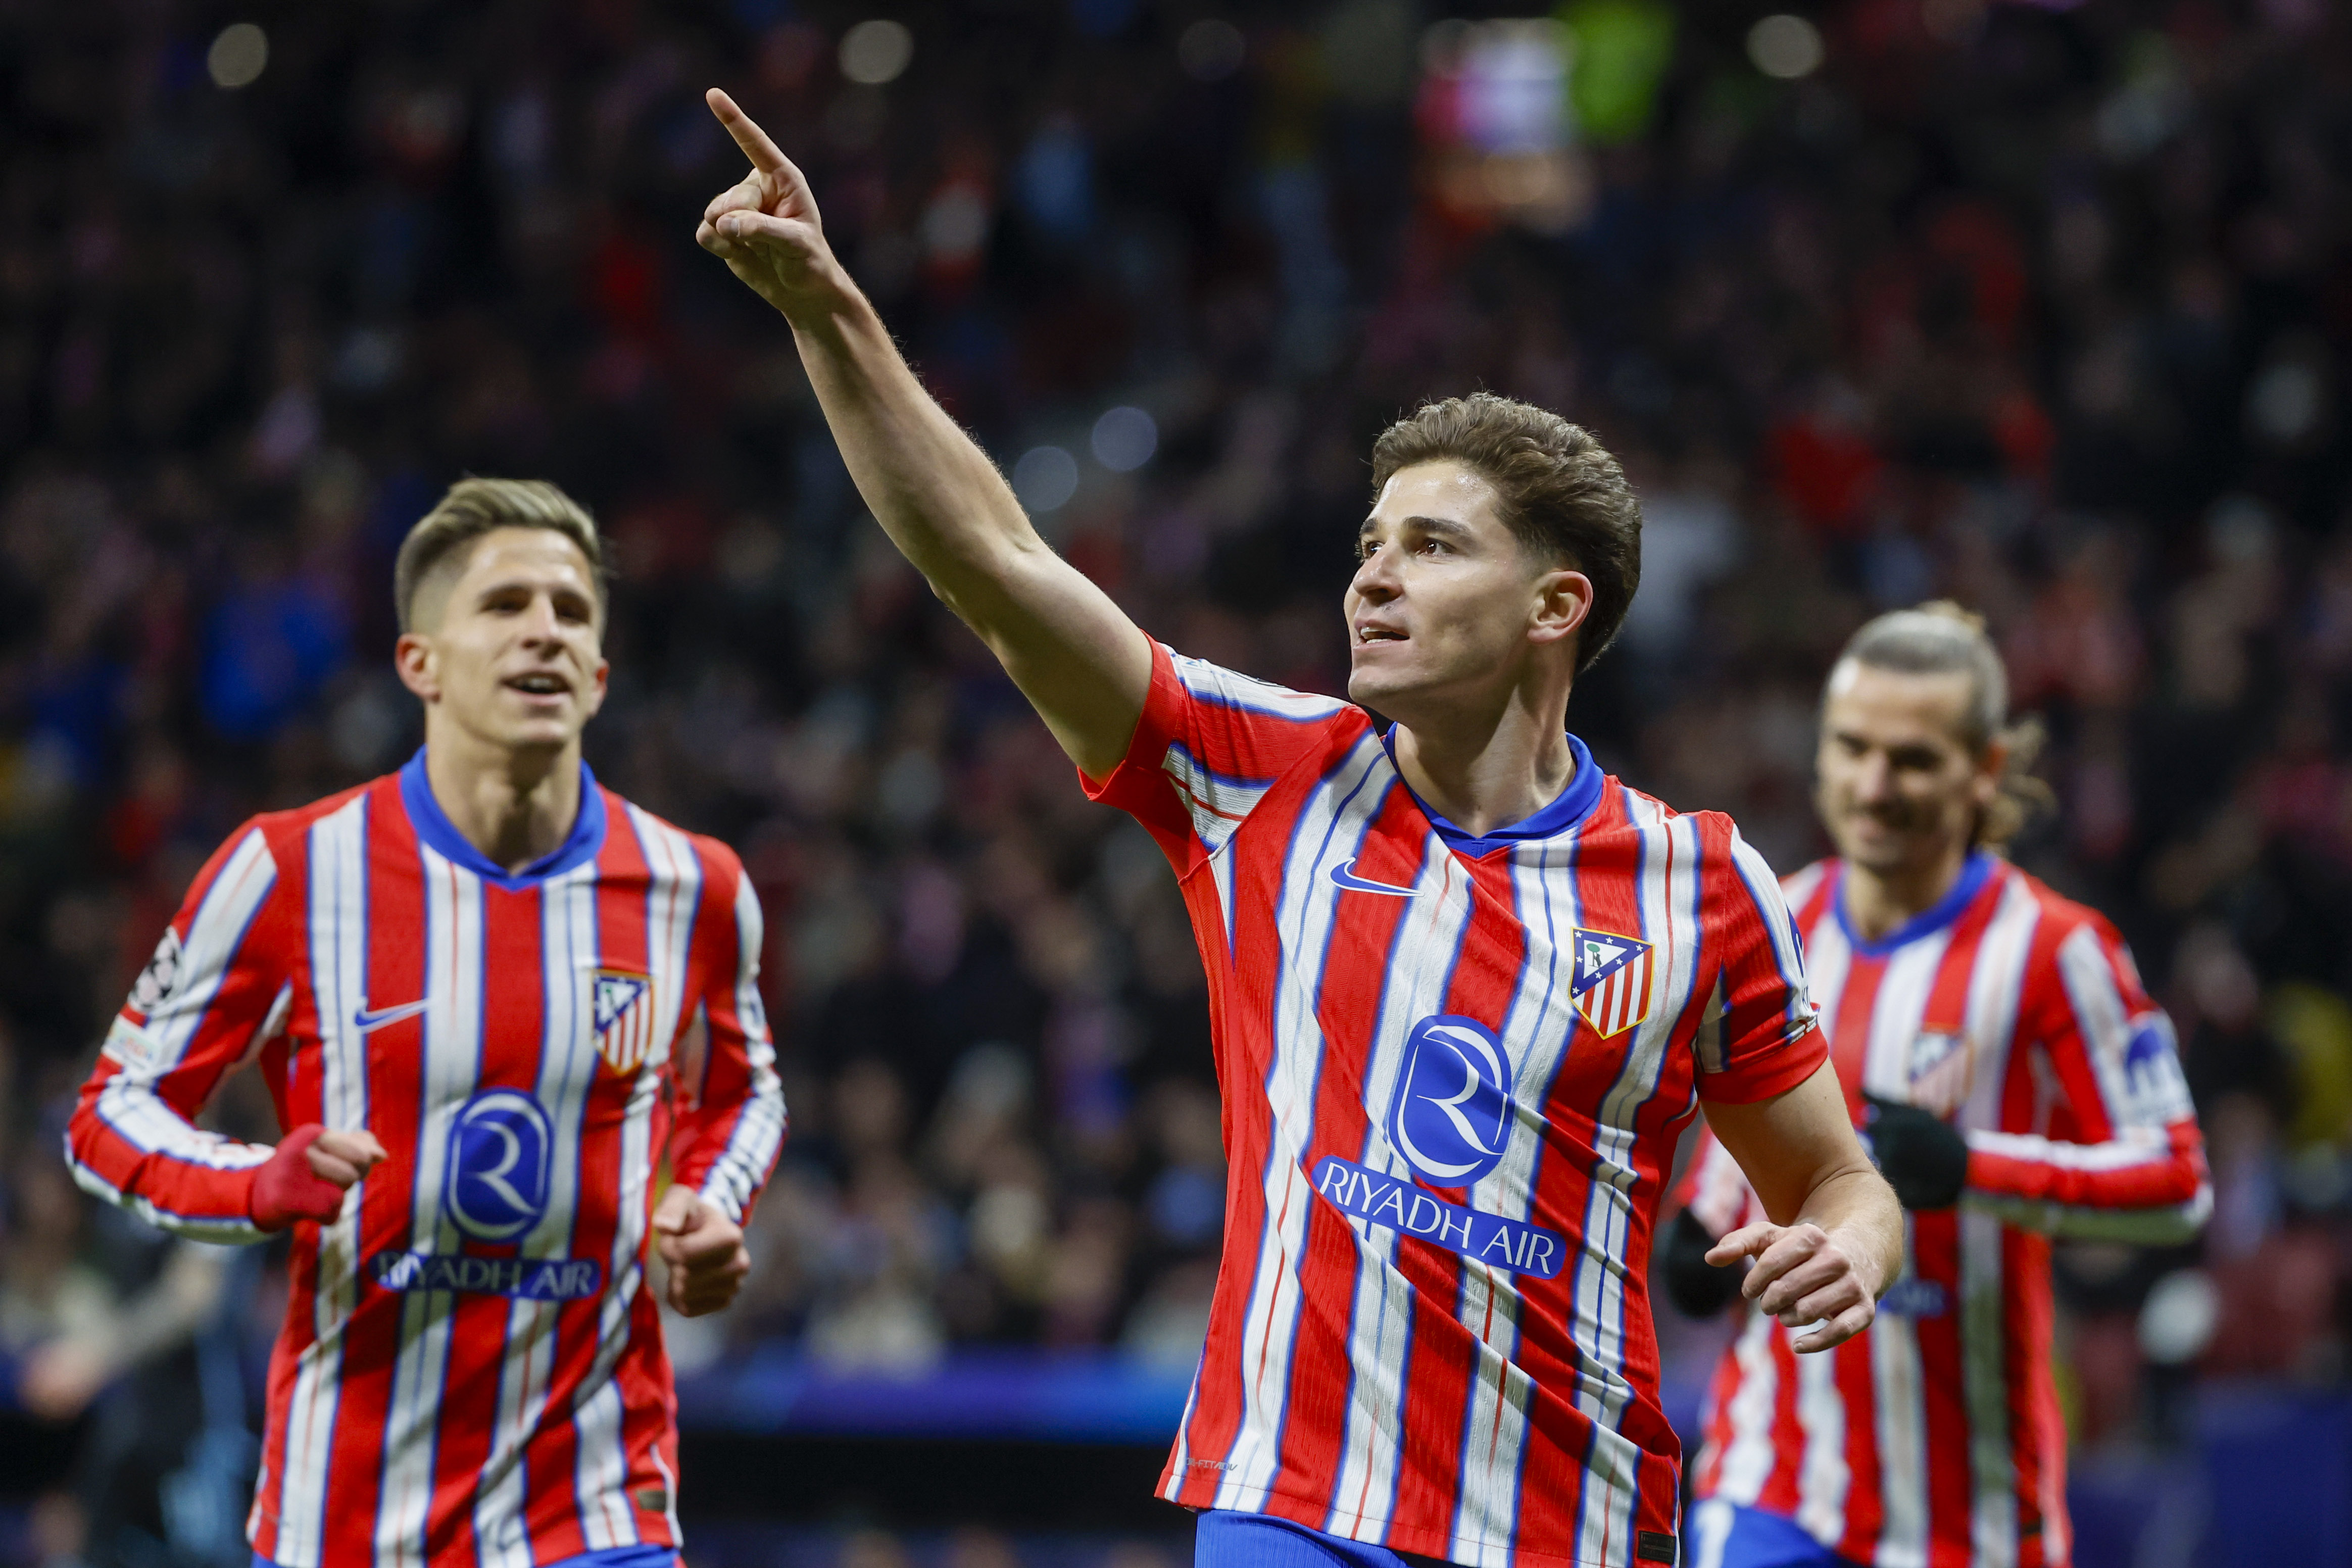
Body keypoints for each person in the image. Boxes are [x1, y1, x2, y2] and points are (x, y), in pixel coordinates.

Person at [694, 90, 1902, 1568]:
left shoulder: (1700, 881)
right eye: (1367, 547)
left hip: (1579, 1522)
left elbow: (1838, 1179)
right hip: (1298, 1503)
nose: (1372, 581)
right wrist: (831, 310)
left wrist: (1852, 1247)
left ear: (1555, 607)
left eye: (1432, 546)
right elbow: (996, 563)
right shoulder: (1263, 774)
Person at [64, 479, 788, 1568]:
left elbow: (747, 1088)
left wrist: (709, 1206)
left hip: (595, 1511)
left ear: (596, 677)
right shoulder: (289, 870)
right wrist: (254, 1185)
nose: (545, 627)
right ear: (421, 664)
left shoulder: (698, 886)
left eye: (572, 610)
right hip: (343, 1520)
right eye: (504, 605)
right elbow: (108, 1112)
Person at [1669, 604, 2210, 1568]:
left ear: (1985, 771)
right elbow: (1744, 1133)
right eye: (1851, 749)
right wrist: (1701, 1225)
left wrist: (1973, 1170)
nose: (1873, 787)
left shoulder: (2055, 951)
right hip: (1771, 1484)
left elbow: (2178, 1187)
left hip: (1974, 1519)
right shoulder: (1775, 914)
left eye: (1912, 760)